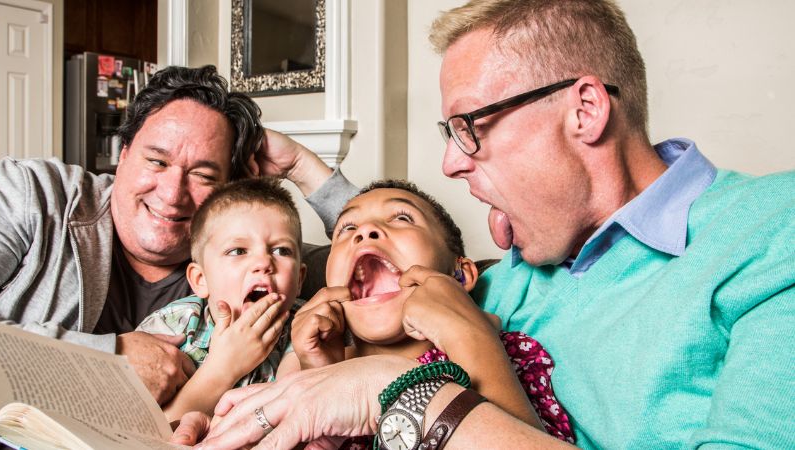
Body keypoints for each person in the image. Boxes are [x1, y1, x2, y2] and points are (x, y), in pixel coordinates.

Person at [172, 0, 794, 448]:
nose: (449, 162)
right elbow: (382, 250)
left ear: (584, 110)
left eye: (470, 127)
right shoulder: (513, 272)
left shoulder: (772, 234)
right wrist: (307, 171)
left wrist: (398, 392)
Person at [0, 65, 351, 448]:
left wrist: (304, 170)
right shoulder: (31, 196)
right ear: (124, 153)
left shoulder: (247, 260)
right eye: (156, 161)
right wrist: (106, 360)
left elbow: (385, 262)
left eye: (203, 174)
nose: (172, 193)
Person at [277, 180, 574, 447]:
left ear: (460, 274)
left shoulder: (510, 355)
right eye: (347, 229)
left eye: (402, 218)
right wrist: (318, 372)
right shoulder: (310, 369)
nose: (365, 232)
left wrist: (469, 335)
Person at [137, 177, 306, 423]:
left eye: (281, 250)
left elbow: (291, 418)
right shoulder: (172, 326)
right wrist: (224, 368)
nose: (263, 263)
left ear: (300, 279)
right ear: (200, 279)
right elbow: (140, 430)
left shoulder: (304, 326)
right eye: (238, 251)